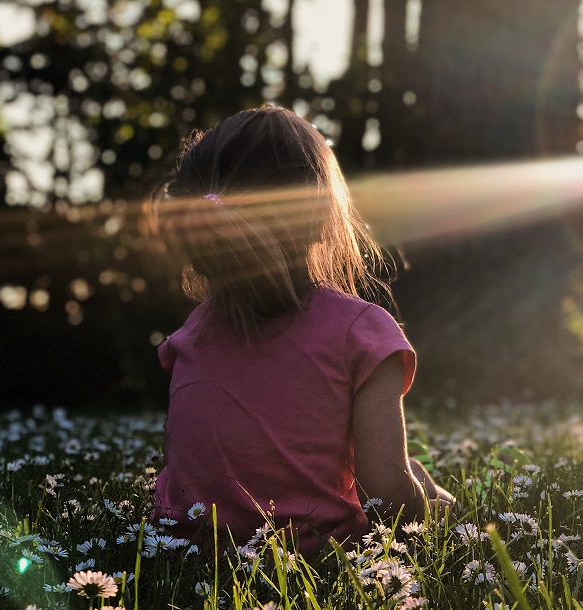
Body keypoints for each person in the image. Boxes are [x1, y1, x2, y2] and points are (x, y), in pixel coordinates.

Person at [150, 106, 453, 554]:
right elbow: (387, 495)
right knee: (419, 483)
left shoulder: (191, 335)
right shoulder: (361, 333)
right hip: (313, 557)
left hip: (187, 551)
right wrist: (436, 509)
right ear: (317, 217)